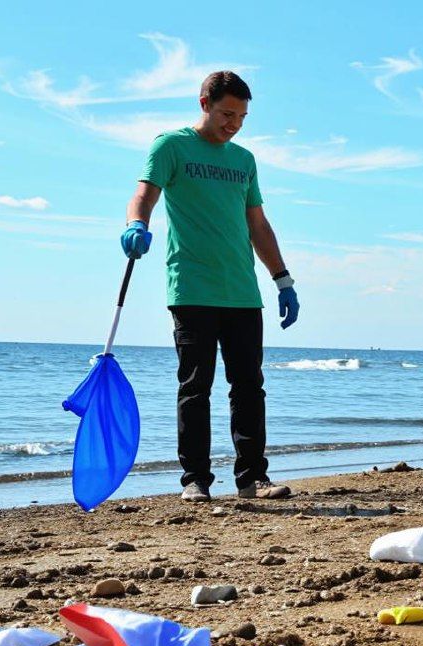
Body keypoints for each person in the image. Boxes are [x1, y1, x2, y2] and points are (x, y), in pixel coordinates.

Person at [122, 71, 300, 503]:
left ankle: (253, 478)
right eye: (226, 113)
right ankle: (195, 480)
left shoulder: (244, 161)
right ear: (204, 104)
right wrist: (135, 224)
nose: (233, 123)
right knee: (195, 386)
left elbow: (257, 225)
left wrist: (283, 280)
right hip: (192, 288)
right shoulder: (171, 146)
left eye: (241, 116)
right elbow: (144, 193)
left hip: (241, 291)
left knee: (248, 387)